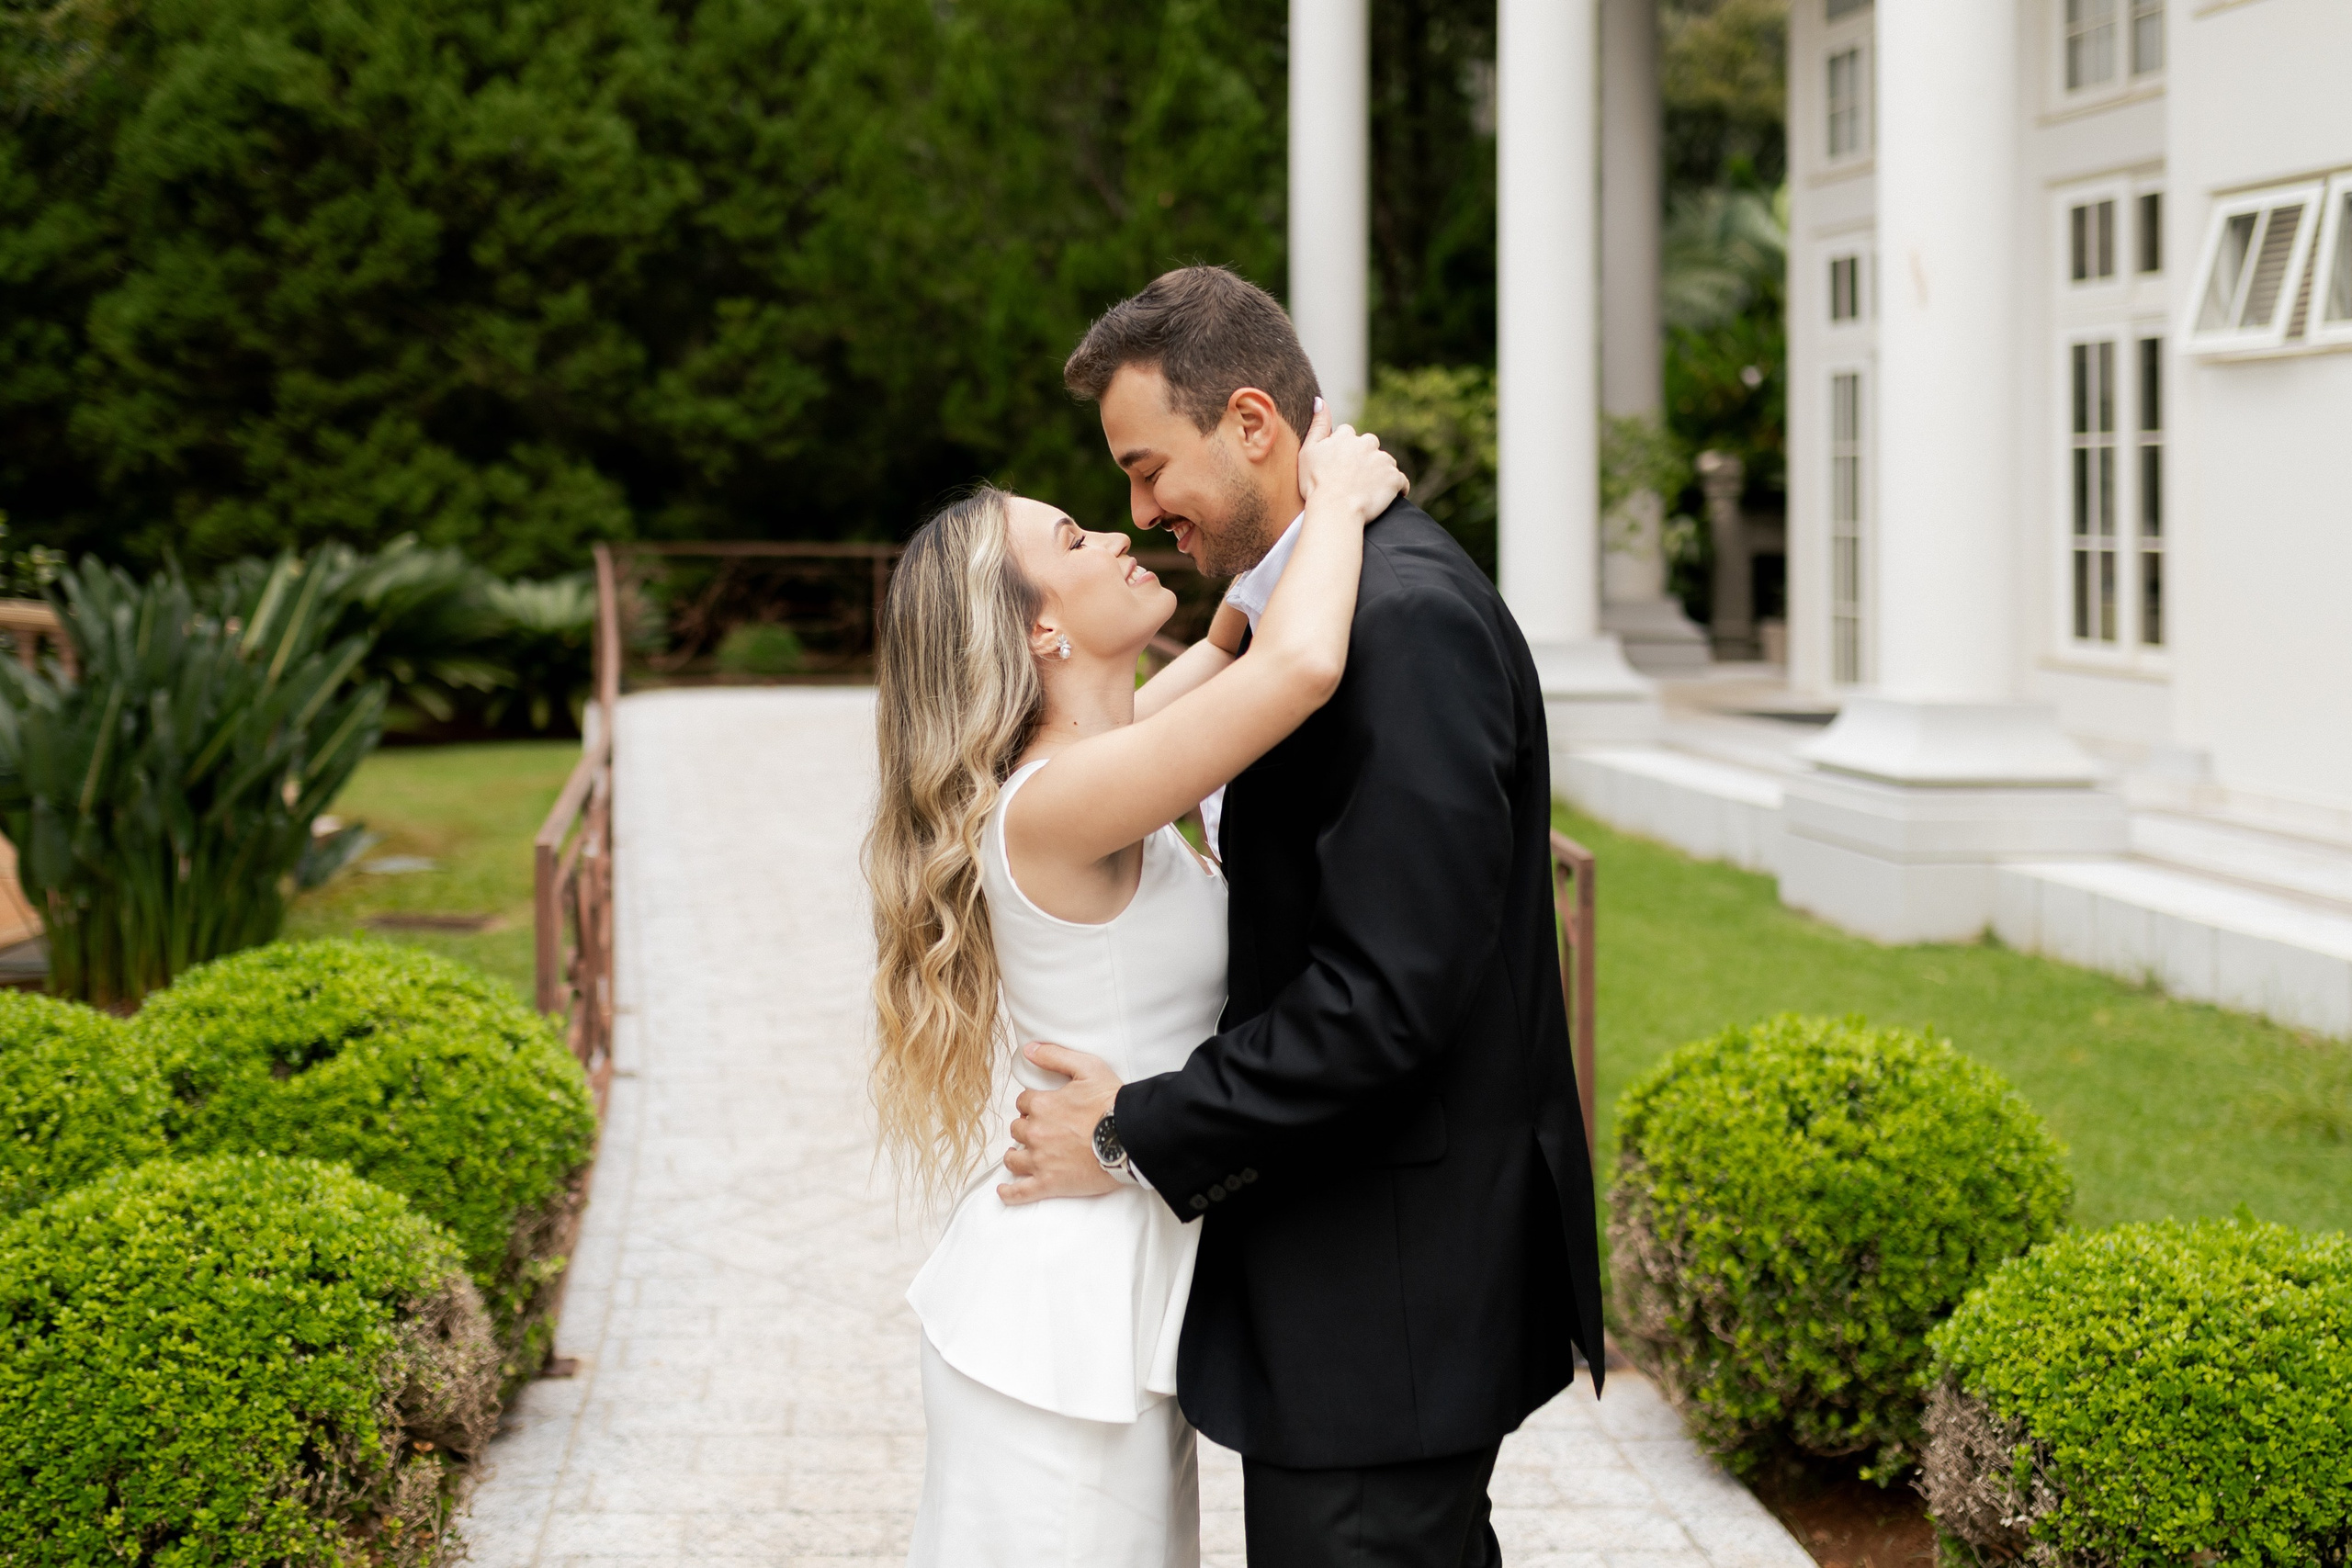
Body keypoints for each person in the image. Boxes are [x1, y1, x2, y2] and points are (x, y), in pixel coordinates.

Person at [997, 265, 1608, 1568]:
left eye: (1148, 469)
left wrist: (1131, 1129)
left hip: (1386, 1294)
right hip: (1343, 1289)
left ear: (1254, 424)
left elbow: (1380, 1004)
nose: (1139, 512)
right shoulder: (1303, 617)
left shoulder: (1406, 623)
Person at [865, 381, 1409, 1566]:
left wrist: (1267, 534)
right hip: (1059, 1327)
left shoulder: (1097, 762)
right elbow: (1299, 668)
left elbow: (1229, 655)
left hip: (1107, 1292)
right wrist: (1338, 504)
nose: (1118, 531)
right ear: (1037, 632)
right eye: (1072, 539)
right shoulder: (1060, 804)